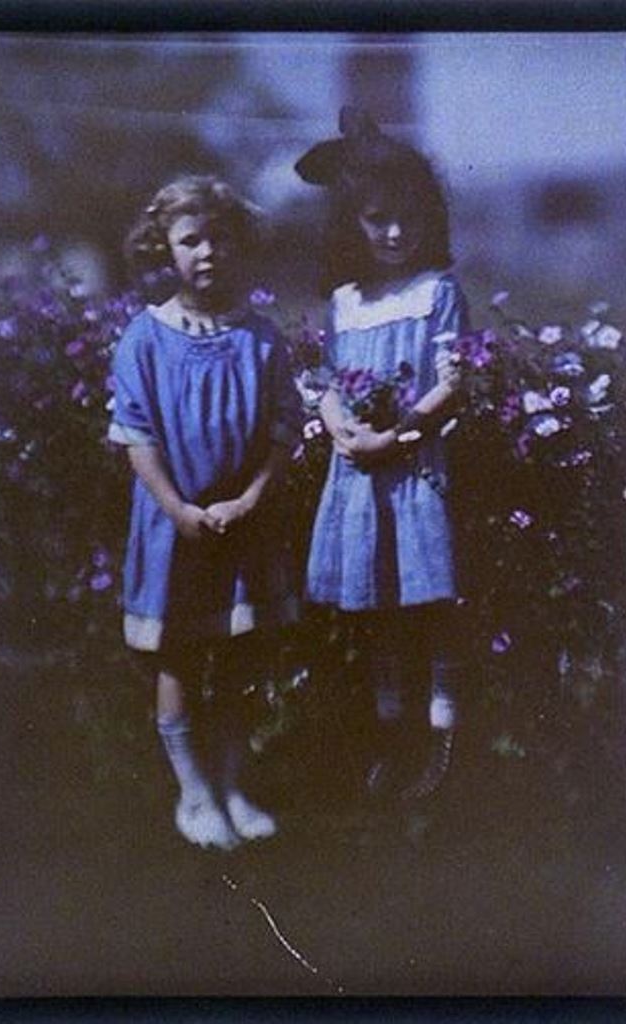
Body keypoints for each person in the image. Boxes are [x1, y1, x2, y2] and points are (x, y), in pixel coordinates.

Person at [108, 175, 301, 850]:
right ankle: (192, 793)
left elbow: (283, 431)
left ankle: (232, 785)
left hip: (245, 525)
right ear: (164, 249)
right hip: (177, 528)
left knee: (243, 655)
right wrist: (177, 508)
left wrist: (250, 498)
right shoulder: (144, 338)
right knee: (181, 659)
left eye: (220, 237)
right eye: (191, 240)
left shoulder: (262, 340)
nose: (208, 251)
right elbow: (137, 437)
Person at [295, 108, 469, 798]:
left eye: (407, 218)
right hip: (360, 474)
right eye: (377, 219)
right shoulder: (346, 303)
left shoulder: (436, 293)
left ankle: (443, 735)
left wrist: (395, 436)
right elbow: (327, 382)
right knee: (381, 604)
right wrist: (341, 427)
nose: (395, 233)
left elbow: (453, 383)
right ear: (352, 224)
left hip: (413, 468)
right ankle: (392, 732)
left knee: (430, 599)